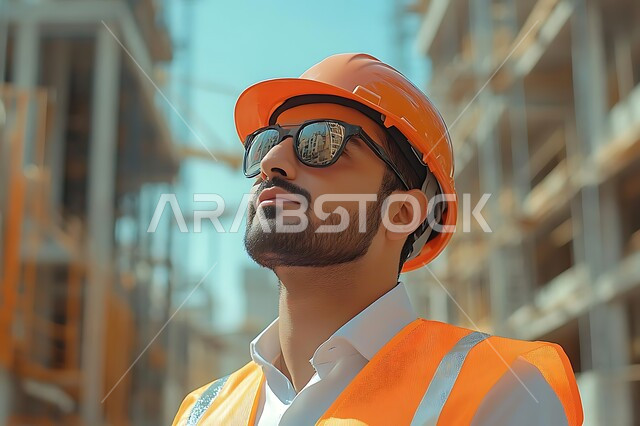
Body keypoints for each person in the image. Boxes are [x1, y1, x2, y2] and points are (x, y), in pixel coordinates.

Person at [172, 53, 583, 425]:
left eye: (322, 142)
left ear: (402, 213)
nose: (271, 162)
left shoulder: (504, 391)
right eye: (267, 142)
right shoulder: (201, 411)